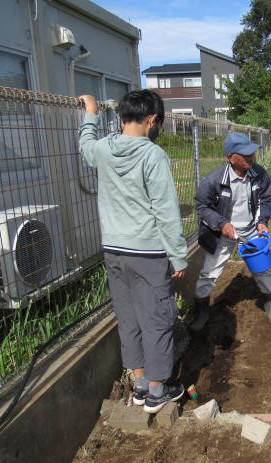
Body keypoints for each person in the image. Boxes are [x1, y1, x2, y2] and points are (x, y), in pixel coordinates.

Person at [79, 90, 188, 414]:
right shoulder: (152, 156)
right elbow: (166, 211)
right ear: (152, 120)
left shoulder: (102, 149)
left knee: (129, 320)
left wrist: (90, 114)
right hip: (147, 254)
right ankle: (157, 392)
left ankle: (139, 386)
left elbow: (85, 146)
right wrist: (179, 256)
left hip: (113, 252)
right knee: (157, 320)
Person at [190, 132, 271, 331]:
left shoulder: (260, 174)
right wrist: (221, 224)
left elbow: (266, 199)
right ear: (231, 157)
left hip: (251, 230)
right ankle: (202, 312)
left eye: (252, 153)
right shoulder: (214, 180)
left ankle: (270, 305)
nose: (251, 157)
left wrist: (262, 221)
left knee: (263, 269)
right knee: (209, 273)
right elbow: (201, 206)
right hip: (223, 232)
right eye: (245, 154)